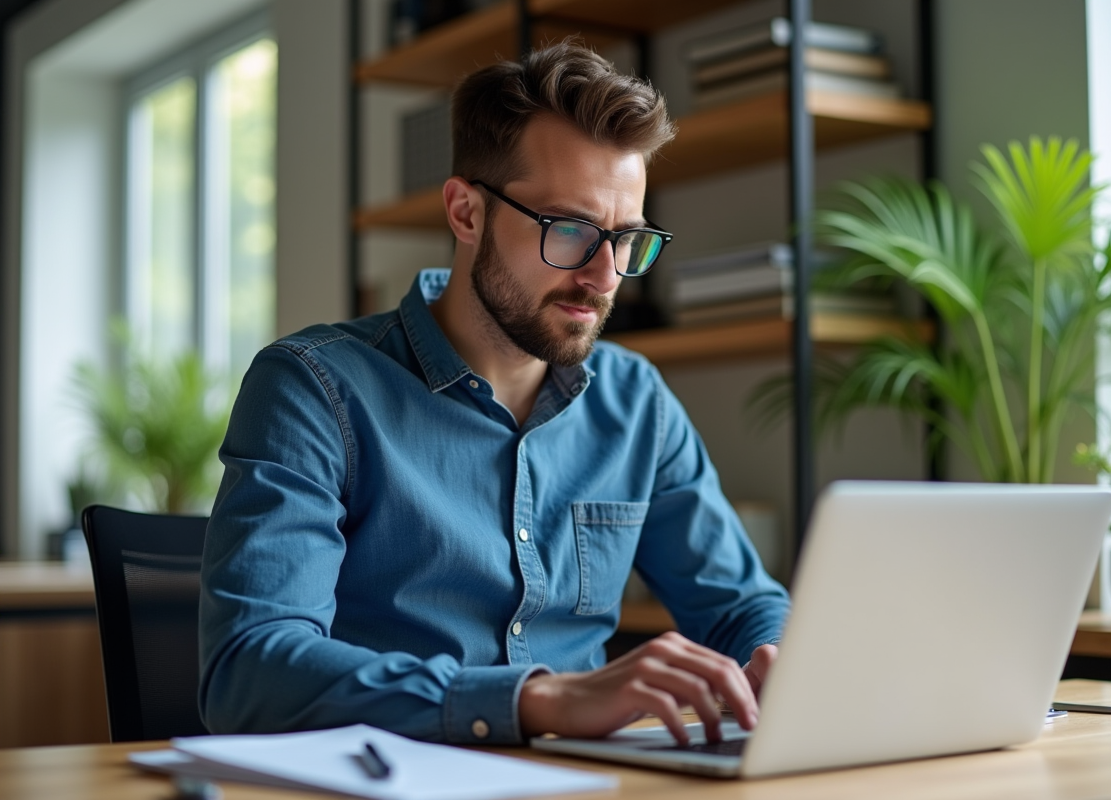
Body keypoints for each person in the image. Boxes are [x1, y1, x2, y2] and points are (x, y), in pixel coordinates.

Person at [198, 41, 790, 748]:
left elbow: (741, 605)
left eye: (626, 238)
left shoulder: (637, 403)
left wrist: (776, 660)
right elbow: (247, 669)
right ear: (466, 213)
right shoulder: (313, 388)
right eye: (570, 231)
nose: (605, 277)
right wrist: (538, 701)